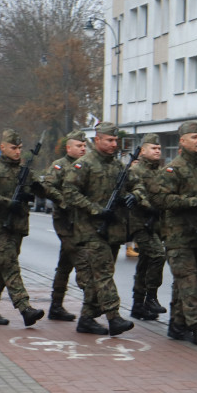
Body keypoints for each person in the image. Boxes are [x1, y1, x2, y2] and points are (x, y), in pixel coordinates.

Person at [61, 121, 148, 336]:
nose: (113, 144)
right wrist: (94, 209)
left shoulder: (119, 166)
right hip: (91, 230)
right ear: (97, 139)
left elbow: (138, 185)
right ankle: (114, 316)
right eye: (109, 140)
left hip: (114, 230)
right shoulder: (85, 164)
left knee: (98, 277)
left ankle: (87, 319)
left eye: (115, 141)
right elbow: (69, 191)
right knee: (104, 274)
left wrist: (132, 196)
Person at [148, 121, 197, 345]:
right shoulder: (173, 169)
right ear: (182, 141)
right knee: (188, 283)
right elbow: (160, 199)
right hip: (179, 237)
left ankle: (177, 325)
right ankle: (195, 327)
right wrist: (196, 202)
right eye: (194, 137)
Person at [0, 129, 46, 327]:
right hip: (1, 227)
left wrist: (39, 189)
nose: (17, 152)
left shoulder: (24, 171)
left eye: (20, 148)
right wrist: (6, 202)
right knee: (11, 266)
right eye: (13, 148)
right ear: (3, 147)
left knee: (2, 267)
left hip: (18, 226)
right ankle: (25, 308)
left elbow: (42, 188)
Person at [42, 130, 87, 322]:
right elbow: (48, 187)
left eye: (85, 145)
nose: (83, 149)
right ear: (69, 147)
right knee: (81, 261)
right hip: (64, 220)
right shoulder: (59, 166)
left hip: (82, 221)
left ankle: (56, 306)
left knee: (65, 264)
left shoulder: (87, 165)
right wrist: (63, 200)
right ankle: (95, 304)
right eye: (79, 146)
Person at [127, 134, 168, 321]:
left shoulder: (159, 171)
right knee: (158, 255)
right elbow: (136, 193)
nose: (157, 151)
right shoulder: (136, 170)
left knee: (144, 264)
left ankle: (138, 305)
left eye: (159, 148)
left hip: (156, 223)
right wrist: (148, 207)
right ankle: (151, 297)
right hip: (140, 222)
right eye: (153, 148)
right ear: (143, 151)